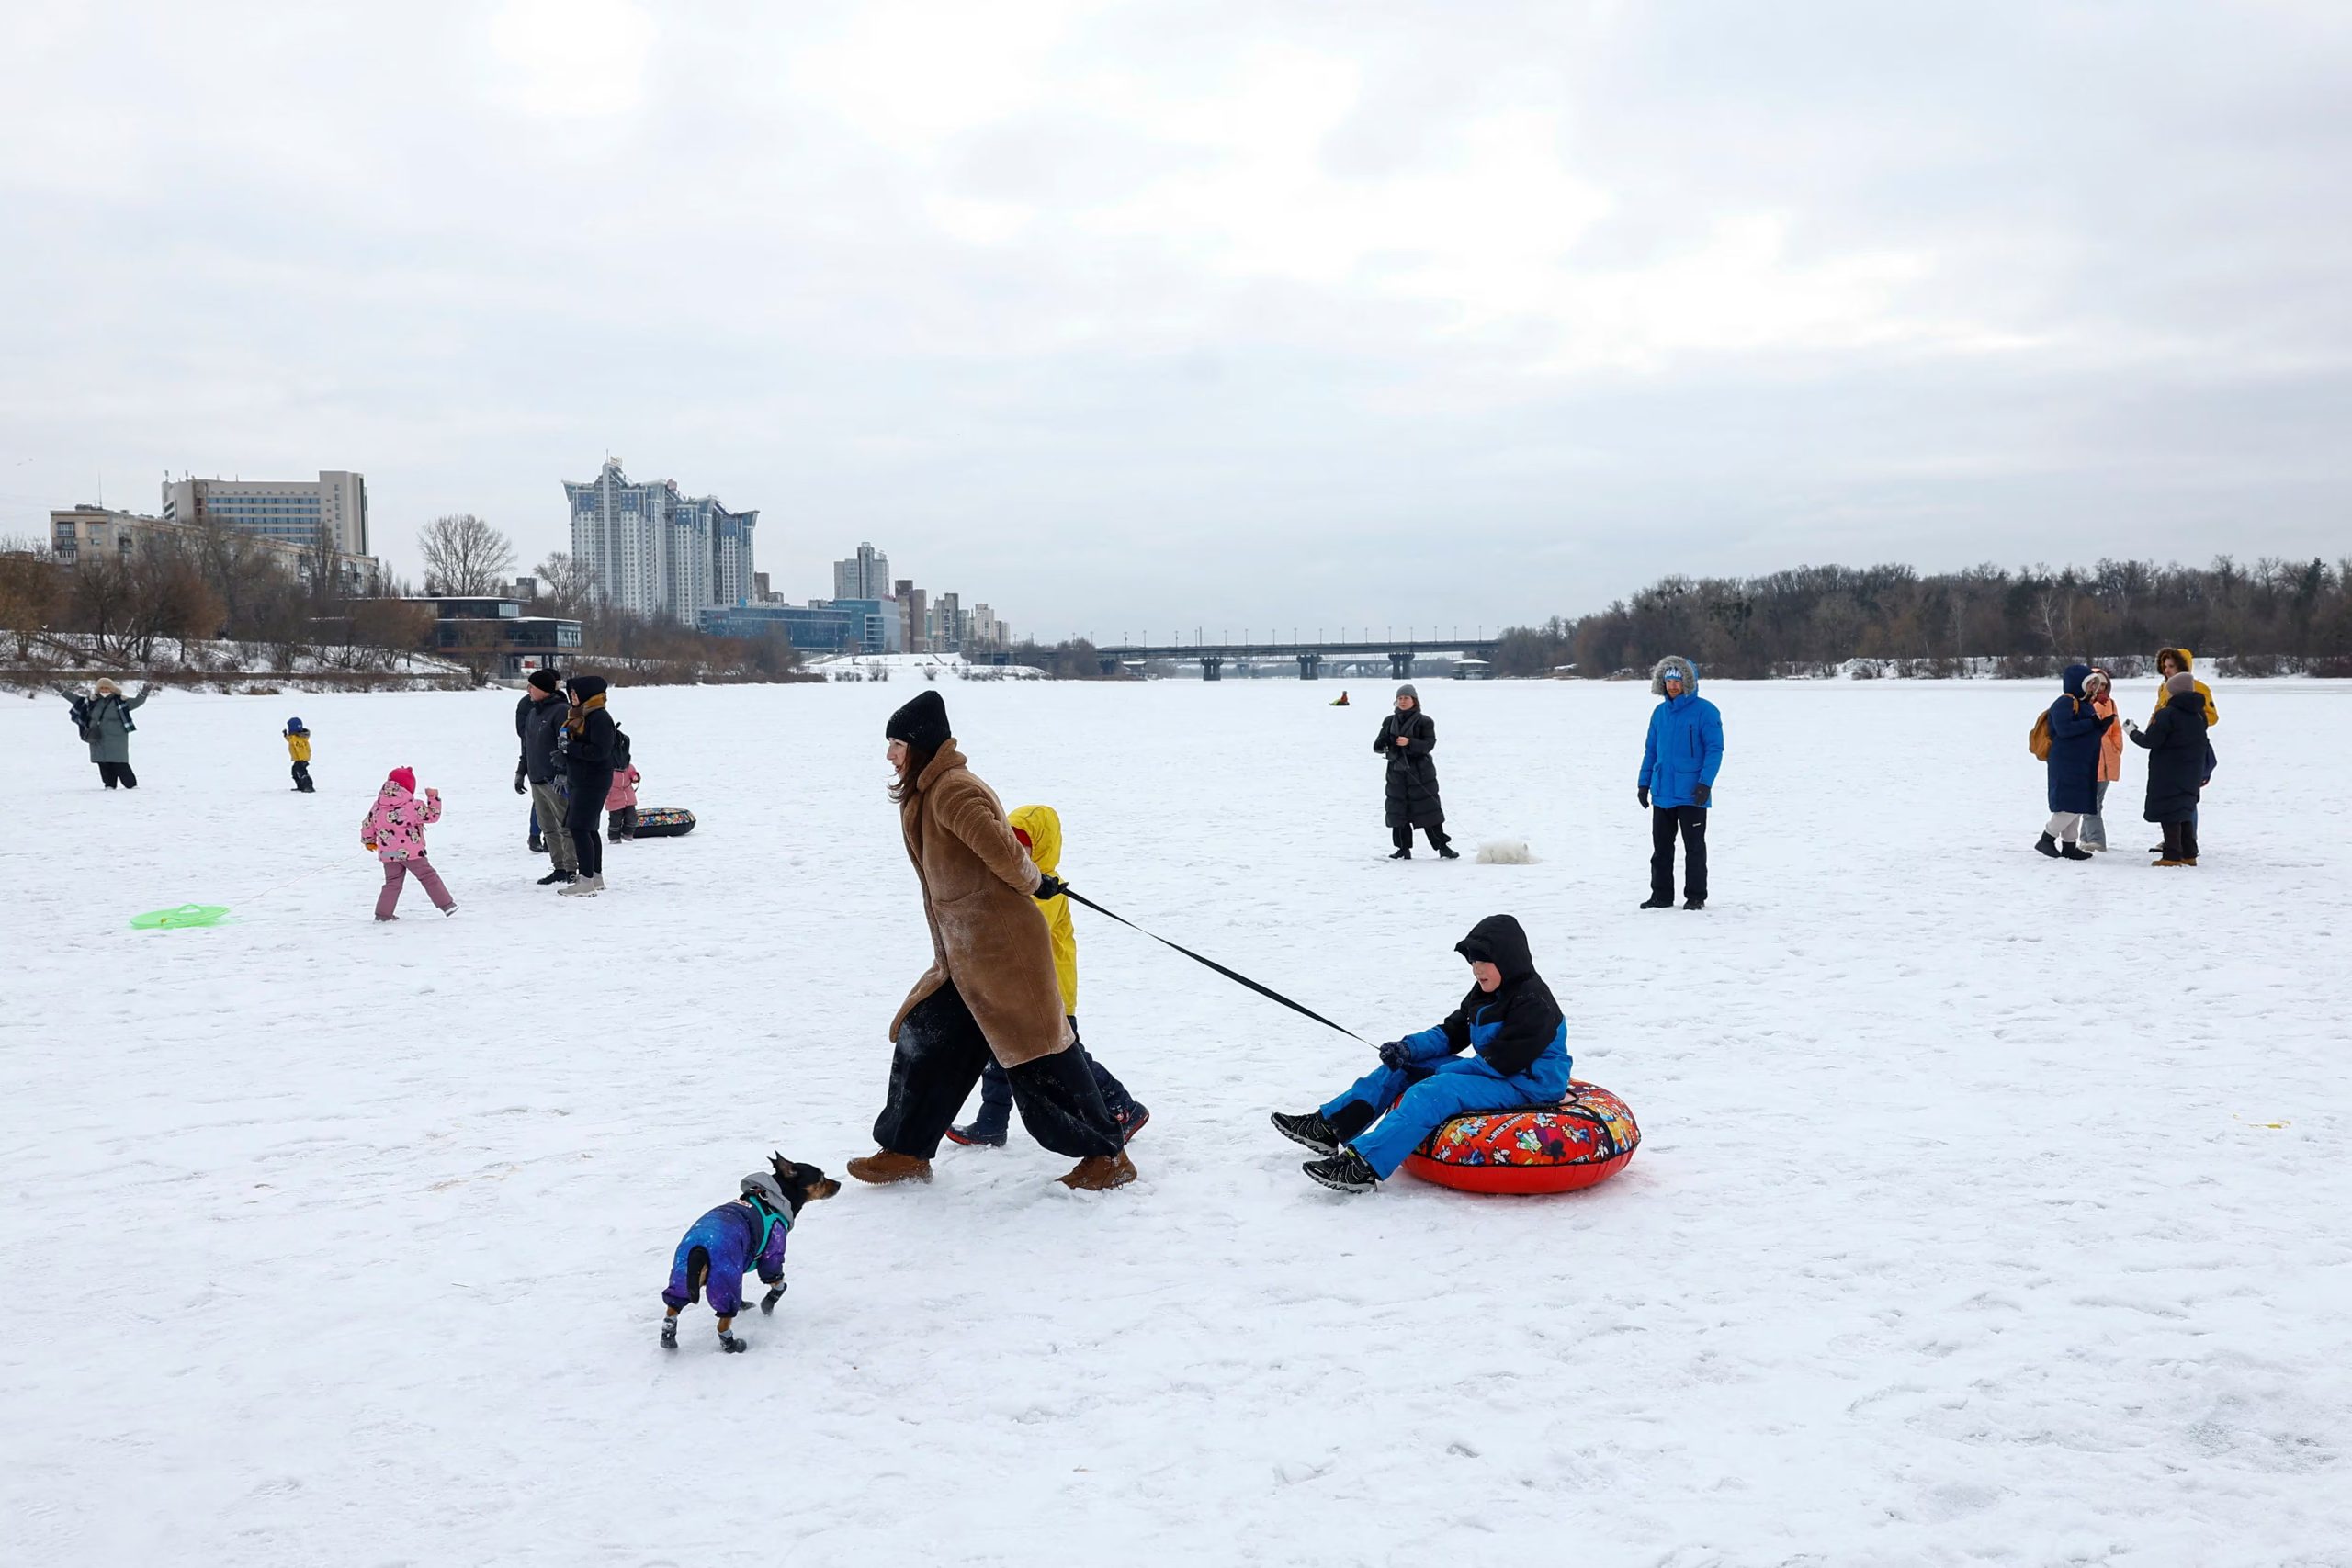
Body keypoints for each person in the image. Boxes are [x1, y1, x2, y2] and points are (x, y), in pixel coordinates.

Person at [848, 690, 1136, 1191]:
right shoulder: (925, 791)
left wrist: (1035, 882)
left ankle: (1107, 1157)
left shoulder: (954, 791)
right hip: (962, 956)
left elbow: (1004, 849)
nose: (890, 754)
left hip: (1003, 954)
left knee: (1041, 1056)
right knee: (926, 1043)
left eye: (896, 743)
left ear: (919, 744)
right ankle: (905, 1151)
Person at [1272, 914, 1568, 1194]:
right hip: (1496, 1074)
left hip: (1527, 1085)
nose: (1477, 969)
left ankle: (1363, 1166)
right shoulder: (1485, 993)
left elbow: (1502, 1062)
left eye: (1484, 961)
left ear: (1507, 959)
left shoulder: (1534, 1002)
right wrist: (1407, 1049)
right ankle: (1328, 1127)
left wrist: (1439, 1073)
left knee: (1434, 1091)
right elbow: (1451, 1033)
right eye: (1473, 961)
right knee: (1401, 1067)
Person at [947, 803, 1149, 1149]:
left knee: (1069, 1060)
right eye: (1011, 844)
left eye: (1024, 845)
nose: (1017, 852)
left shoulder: (1047, 893)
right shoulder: (1012, 885)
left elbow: (1016, 929)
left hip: (1049, 994)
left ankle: (1124, 1106)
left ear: (1040, 848)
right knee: (999, 1053)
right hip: (1014, 992)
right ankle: (990, 1122)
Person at [1637, 656, 1724, 908]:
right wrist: (1644, 784)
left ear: (1688, 682)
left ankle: (1696, 896)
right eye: (1668, 681)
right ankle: (1661, 896)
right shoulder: (1659, 713)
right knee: (1661, 849)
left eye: (1678, 681)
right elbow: (1651, 751)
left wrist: (1705, 783)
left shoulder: (1706, 711)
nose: (1673, 686)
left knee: (1694, 849)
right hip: (1662, 791)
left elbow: (1715, 750)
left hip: (1692, 793)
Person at [2126, 671, 2211, 865]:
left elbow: (2151, 740)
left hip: (2168, 771)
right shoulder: (2199, 715)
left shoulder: (2167, 714)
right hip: (2191, 771)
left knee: (2170, 810)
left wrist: (2132, 732)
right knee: (2184, 810)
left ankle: (2172, 854)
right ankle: (2189, 853)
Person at [2037, 663, 2114, 862]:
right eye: (2090, 684)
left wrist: (2101, 727)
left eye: (2094, 685)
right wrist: (2092, 723)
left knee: (2077, 804)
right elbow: (2065, 730)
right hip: (2066, 763)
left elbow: (2086, 732)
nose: (2093, 688)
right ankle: (2047, 838)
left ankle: (2069, 846)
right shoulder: (2064, 703)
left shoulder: (2085, 704)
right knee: (2069, 804)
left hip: (2081, 762)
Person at [2146, 648, 2218, 854]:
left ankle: (2188, 841)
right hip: (2167, 747)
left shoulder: (2199, 688)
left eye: (2171, 666)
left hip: (2190, 749)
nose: (2166, 670)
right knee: (2173, 798)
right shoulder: (2164, 688)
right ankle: (2174, 840)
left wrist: (2184, 721)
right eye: (2164, 666)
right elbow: (2160, 711)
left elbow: (2211, 717)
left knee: (2186, 798)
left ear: (2182, 666)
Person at [361, 766, 457, 920]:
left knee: (392, 883)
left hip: (388, 854)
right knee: (428, 876)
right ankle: (447, 905)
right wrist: (433, 798)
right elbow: (432, 816)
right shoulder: (412, 805)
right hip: (412, 853)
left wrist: (369, 841)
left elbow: (368, 824)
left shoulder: (378, 805)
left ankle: (383, 914)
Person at [1376, 684, 1454, 860]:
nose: (1403, 701)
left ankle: (1442, 847)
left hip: (1421, 773)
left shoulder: (1425, 721)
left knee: (1429, 811)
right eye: (1400, 698)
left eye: (1406, 698)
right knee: (1398, 812)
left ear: (1414, 700)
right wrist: (1385, 745)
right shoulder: (1389, 721)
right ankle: (1403, 849)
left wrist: (1409, 742)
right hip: (1396, 774)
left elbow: (1429, 744)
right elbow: (1377, 746)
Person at [514, 669, 576, 884]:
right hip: (537, 777)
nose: (528, 690)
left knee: (565, 825)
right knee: (547, 826)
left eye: (531, 686)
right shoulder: (532, 713)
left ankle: (571, 868)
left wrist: (562, 772)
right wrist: (521, 771)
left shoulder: (561, 711)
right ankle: (559, 866)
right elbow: (528, 746)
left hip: (555, 779)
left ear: (542, 689)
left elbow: (568, 746)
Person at [559, 674, 615, 897]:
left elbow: (600, 752)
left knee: (579, 827)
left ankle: (586, 880)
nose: (571, 697)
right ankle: (595, 876)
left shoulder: (599, 717)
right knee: (589, 828)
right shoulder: (581, 716)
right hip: (581, 778)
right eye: (570, 693)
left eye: (575, 693)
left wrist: (569, 749)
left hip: (592, 780)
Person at [59, 678, 153, 789]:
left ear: (112, 689)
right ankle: (109, 784)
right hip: (97, 736)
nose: (104, 690)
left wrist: (144, 692)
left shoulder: (121, 700)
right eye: (102, 688)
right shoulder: (92, 701)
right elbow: (74, 699)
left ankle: (131, 785)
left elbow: (137, 702)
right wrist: (61, 690)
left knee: (119, 762)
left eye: (107, 687)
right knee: (102, 761)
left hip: (117, 737)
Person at [2078, 670, 2120, 850]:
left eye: (2104, 685)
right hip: (2089, 759)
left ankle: (2095, 840)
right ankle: (2087, 839)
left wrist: (2116, 748)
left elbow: (2116, 730)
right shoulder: (2082, 704)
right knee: (2089, 802)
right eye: (2097, 684)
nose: (2100, 688)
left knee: (2093, 803)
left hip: (2107, 760)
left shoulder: (2110, 703)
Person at [283, 717, 314, 794]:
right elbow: (290, 740)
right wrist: (285, 735)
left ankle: (308, 787)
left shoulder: (299, 739)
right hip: (298, 759)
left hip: (301, 759)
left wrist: (302, 760)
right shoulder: (294, 737)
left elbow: (301, 750)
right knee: (294, 772)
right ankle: (300, 786)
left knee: (302, 773)